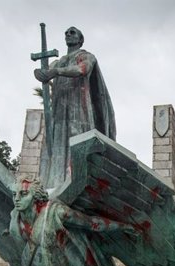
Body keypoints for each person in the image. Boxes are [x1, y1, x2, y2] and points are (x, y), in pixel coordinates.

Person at [34, 26, 116, 187]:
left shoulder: (86, 56)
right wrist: (40, 73)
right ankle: (52, 181)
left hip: (79, 110)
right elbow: (45, 72)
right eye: (66, 33)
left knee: (77, 140)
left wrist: (56, 71)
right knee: (56, 140)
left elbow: (82, 69)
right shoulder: (59, 61)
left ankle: (78, 179)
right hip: (59, 109)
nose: (68, 35)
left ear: (80, 39)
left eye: (72, 33)